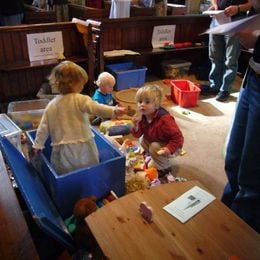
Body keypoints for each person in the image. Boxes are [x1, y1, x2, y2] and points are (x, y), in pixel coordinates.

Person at [32, 61, 126, 175]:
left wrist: (38, 145)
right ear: (73, 84)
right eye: (81, 83)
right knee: (89, 169)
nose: (82, 86)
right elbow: (97, 108)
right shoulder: (80, 99)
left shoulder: (51, 105)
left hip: (62, 148)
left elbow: (43, 127)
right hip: (84, 144)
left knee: (66, 174)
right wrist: (113, 110)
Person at [221, 0, 260, 232]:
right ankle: (225, 214)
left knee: (252, 174)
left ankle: (240, 234)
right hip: (252, 75)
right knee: (233, 158)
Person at [202, 0, 252, 102]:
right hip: (218, 19)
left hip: (236, 20)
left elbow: (252, 4)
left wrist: (238, 8)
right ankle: (214, 86)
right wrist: (214, 5)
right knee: (215, 55)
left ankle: (225, 89)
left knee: (231, 59)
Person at [131, 85, 184, 177]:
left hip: (172, 146)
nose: (142, 104)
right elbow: (138, 134)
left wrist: (169, 148)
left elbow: (178, 138)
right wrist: (135, 126)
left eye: (147, 102)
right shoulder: (143, 115)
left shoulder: (165, 119)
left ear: (156, 105)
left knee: (154, 147)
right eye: (140, 102)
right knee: (142, 139)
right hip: (155, 139)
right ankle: (156, 158)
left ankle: (164, 168)